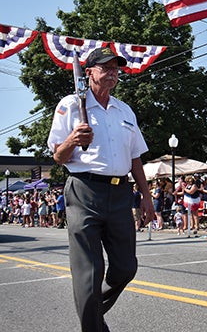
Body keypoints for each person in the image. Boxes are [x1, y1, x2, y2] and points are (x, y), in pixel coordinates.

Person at [47, 47, 155, 331]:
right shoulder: (71, 105)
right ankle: (93, 324)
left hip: (121, 194)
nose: (112, 72)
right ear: (89, 72)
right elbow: (58, 156)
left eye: (116, 68)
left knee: (126, 268)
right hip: (84, 190)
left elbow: (135, 157)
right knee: (89, 273)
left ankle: (91, 312)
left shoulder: (124, 110)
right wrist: (71, 140)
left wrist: (146, 196)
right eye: (105, 67)